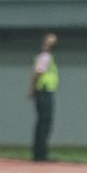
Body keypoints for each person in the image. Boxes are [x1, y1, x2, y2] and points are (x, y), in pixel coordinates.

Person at [29, 32, 59, 162]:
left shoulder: (46, 56)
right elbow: (38, 72)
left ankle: (40, 153)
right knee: (44, 123)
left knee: (43, 123)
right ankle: (40, 154)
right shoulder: (45, 56)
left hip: (44, 91)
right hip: (44, 92)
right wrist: (32, 88)